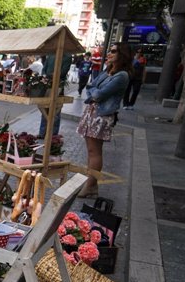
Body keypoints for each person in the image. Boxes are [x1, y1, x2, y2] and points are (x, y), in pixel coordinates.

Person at [76, 42, 131, 198]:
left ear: (122, 54)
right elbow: (90, 88)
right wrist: (94, 91)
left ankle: (90, 186)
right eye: (109, 51)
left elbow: (99, 95)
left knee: (95, 152)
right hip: (92, 113)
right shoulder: (108, 71)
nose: (109, 54)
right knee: (91, 151)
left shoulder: (122, 75)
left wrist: (94, 92)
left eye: (113, 51)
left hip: (102, 115)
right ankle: (91, 185)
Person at [38, 53, 72, 138]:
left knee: (56, 108)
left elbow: (63, 72)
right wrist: (45, 77)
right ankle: (42, 133)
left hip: (58, 85)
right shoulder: (51, 55)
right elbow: (44, 69)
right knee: (45, 107)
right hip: (48, 84)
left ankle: (53, 134)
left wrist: (49, 75)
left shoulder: (67, 56)